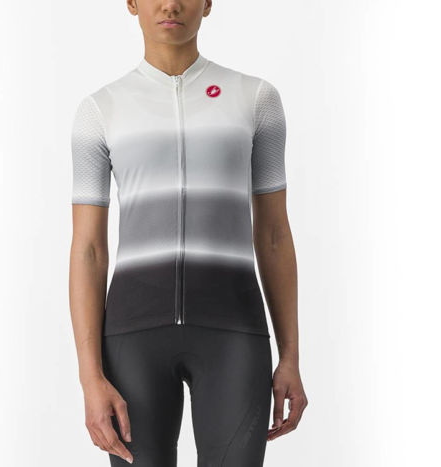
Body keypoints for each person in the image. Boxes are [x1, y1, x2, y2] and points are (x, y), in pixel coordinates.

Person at [69, 1, 308, 465]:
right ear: (132, 3)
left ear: (208, 3)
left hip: (234, 334)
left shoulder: (255, 99)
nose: (171, 5)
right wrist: (89, 377)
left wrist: (291, 357)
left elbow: (275, 234)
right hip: (132, 338)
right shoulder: (100, 111)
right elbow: (89, 250)